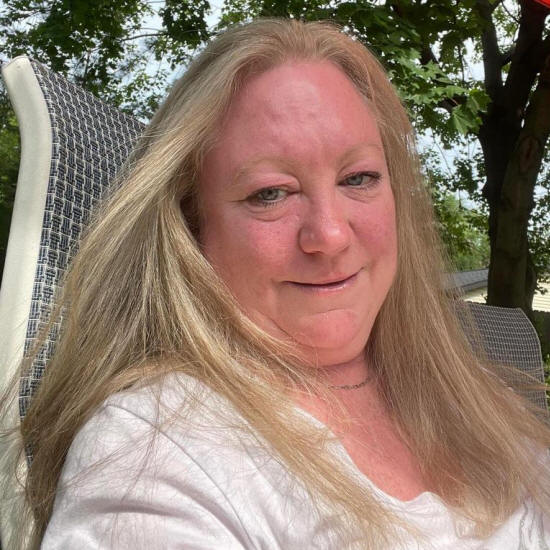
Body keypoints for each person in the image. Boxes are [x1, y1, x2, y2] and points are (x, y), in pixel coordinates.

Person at [5, 18, 550, 549]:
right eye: (270, 193)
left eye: (358, 178)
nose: (329, 236)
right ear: (191, 226)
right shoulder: (153, 451)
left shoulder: (468, 395)